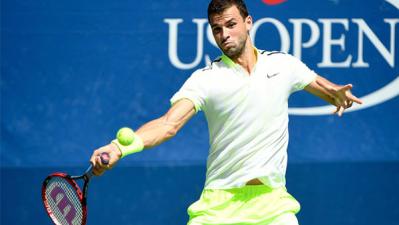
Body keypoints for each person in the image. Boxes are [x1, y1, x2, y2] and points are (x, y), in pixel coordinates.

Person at [90, 0, 363, 224]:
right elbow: (167, 124)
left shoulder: (283, 65)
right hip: (217, 207)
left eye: (231, 25)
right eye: (217, 29)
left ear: (248, 22)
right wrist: (119, 148)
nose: (224, 35)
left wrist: (336, 92)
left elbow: (320, 85)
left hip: (273, 206)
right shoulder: (206, 79)